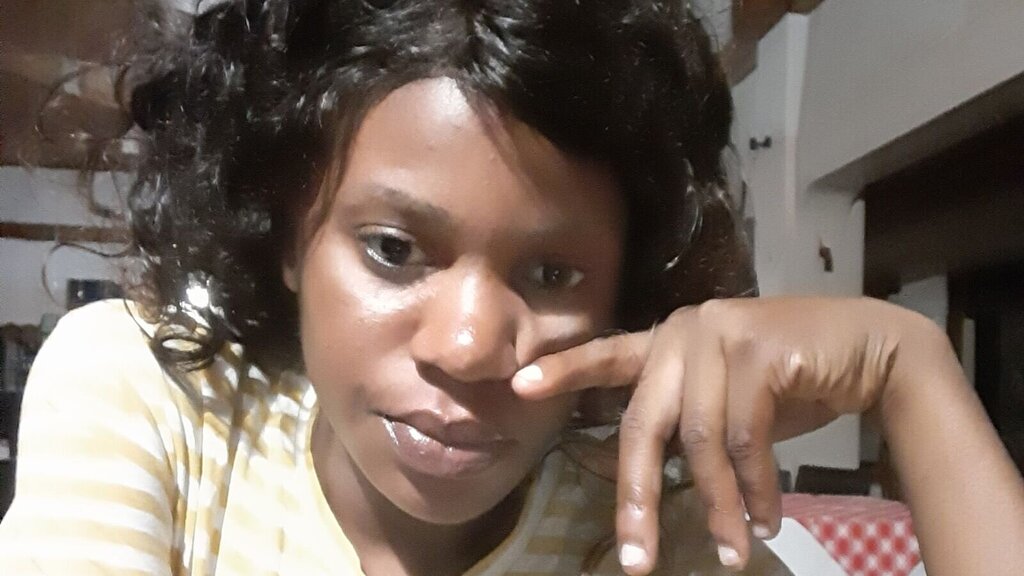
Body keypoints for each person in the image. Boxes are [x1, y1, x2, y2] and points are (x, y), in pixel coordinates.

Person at [1, 1, 1022, 574]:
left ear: (621, 300)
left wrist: (910, 368)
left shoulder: (640, 529)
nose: (465, 347)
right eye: (393, 249)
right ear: (286, 238)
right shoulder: (155, 403)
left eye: (552, 273)